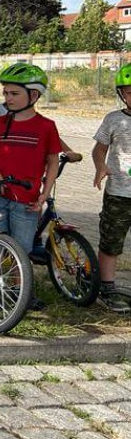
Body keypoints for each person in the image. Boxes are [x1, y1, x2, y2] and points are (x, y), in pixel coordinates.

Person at [0, 63, 61, 309]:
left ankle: (20, 293)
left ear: (33, 95)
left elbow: (52, 162)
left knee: (22, 250)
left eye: (14, 93)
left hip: (26, 201)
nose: (8, 98)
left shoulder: (46, 127)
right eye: (5, 93)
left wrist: (43, 197)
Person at [90, 63, 131, 314]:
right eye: (129, 91)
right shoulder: (114, 120)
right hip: (120, 193)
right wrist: (100, 166)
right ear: (121, 94)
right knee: (111, 242)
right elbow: (99, 148)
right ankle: (106, 288)